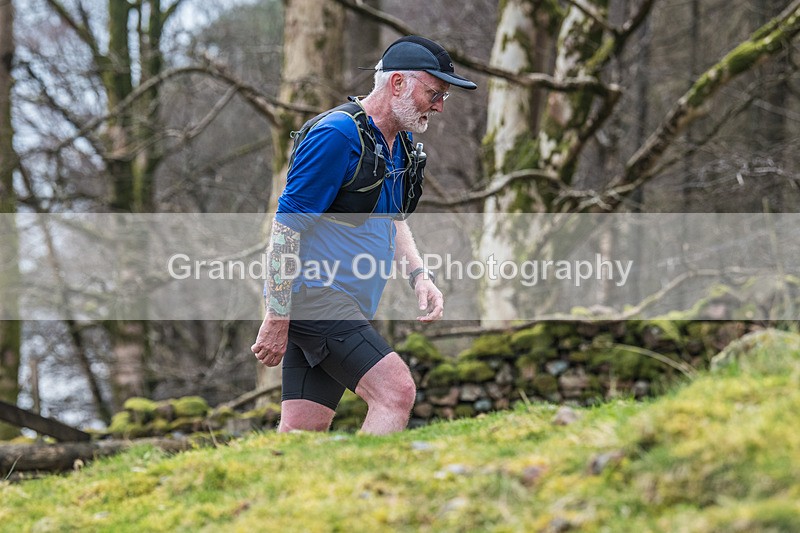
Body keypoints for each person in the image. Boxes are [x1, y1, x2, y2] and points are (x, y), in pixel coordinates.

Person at [251, 36, 477, 435]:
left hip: (348, 303)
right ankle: (370, 493)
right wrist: (277, 315)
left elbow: (392, 217)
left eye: (444, 96)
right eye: (434, 93)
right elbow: (286, 227)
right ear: (397, 84)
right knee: (396, 392)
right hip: (314, 296)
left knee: (302, 430)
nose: (440, 105)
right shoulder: (336, 135)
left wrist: (419, 275)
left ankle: (274, 496)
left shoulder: (400, 143)